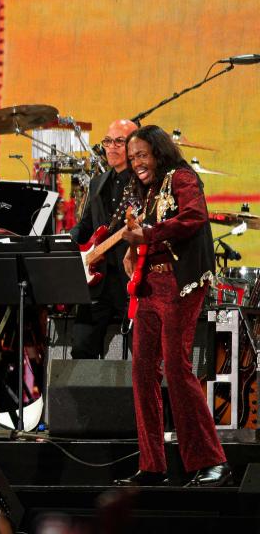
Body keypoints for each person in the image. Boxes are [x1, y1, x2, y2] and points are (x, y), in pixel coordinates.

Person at [117, 124, 230, 487]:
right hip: (149, 287)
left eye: (142, 155)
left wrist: (148, 234)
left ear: (158, 152)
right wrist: (131, 252)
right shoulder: (145, 193)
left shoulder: (182, 177)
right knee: (143, 372)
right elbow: (144, 236)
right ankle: (152, 466)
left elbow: (194, 217)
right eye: (132, 157)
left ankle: (212, 461)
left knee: (177, 368)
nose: (136, 163)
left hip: (181, 285)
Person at [67, 119, 138, 358]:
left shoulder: (143, 182)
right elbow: (87, 225)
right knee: (81, 348)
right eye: (108, 141)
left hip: (130, 280)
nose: (112, 147)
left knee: (142, 353)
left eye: (120, 141)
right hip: (98, 282)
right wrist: (68, 242)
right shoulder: (98, 182)